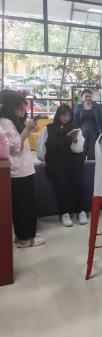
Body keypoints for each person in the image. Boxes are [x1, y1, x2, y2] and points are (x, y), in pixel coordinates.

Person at [0, 90, 44, 247]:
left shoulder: (10, 121)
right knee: (24, 206)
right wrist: (27, 129)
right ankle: (25, 239)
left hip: (22, 169)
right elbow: (15, 145)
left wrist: (29, 128)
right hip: (18, 171)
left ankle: (24, 235)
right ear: (11, 106)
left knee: (24, 204)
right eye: (19, 106)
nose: (22, 109)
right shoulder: (6, 122)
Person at [36, 104, 87, 227]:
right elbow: (41, 146)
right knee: (61, 187)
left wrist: (74, 140)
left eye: (69, 115)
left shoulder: (75, 129)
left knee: (78, 185)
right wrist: (45, 160)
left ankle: (81, 211)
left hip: (73, 163)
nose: (66, 118)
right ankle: (64, 213)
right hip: (57, 163)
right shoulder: (49, 128)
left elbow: (79, 149)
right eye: (63, 115)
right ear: (58, 115)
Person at [74, 88, 102, 160]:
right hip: (82, 130)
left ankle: (91, 164)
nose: (88, 98)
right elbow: (76, 120)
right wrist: (76, 131)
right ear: (82, 97)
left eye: (89, 96)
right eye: (86, 96)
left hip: (95, 130)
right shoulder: (79, 107)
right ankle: (81, 162)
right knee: (82, 147)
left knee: (93, 148)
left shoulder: (97, 106)